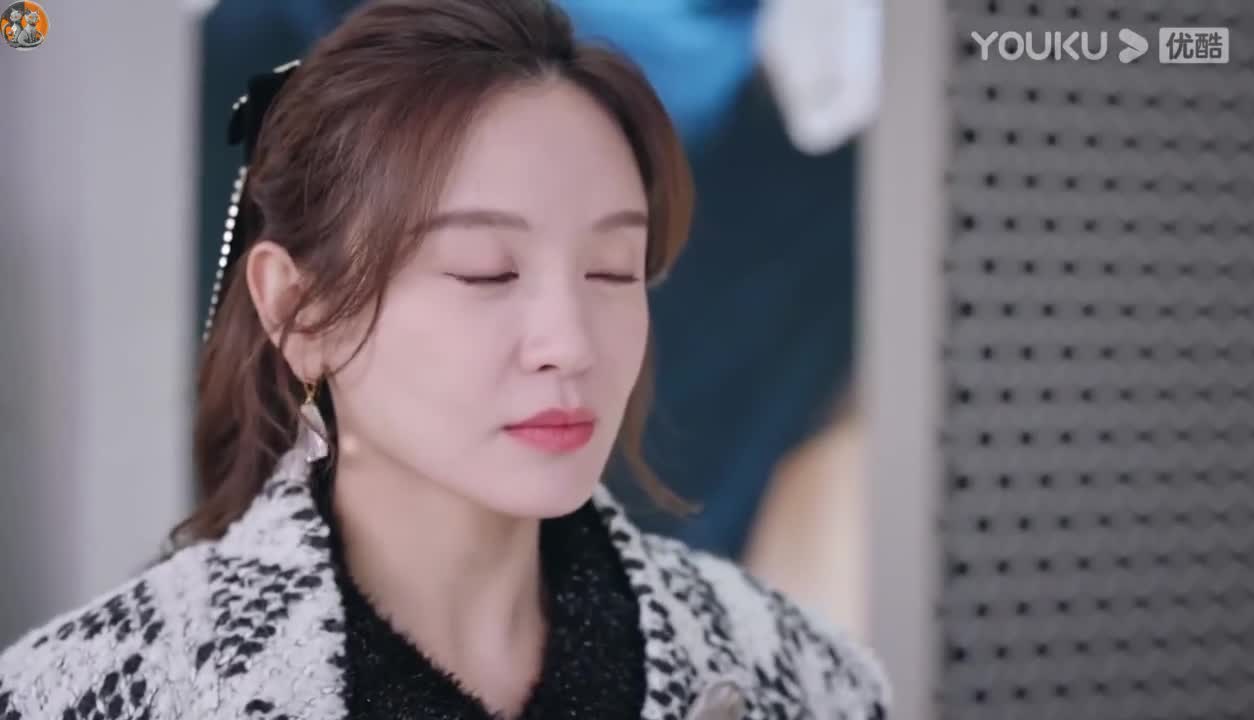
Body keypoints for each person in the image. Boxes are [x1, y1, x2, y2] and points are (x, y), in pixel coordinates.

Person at [0, 1, 889, 718]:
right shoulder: (92, 691)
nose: (570, 344)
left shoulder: (799, 677)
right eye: (485, 271)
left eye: (614, 270)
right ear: (296, 310)